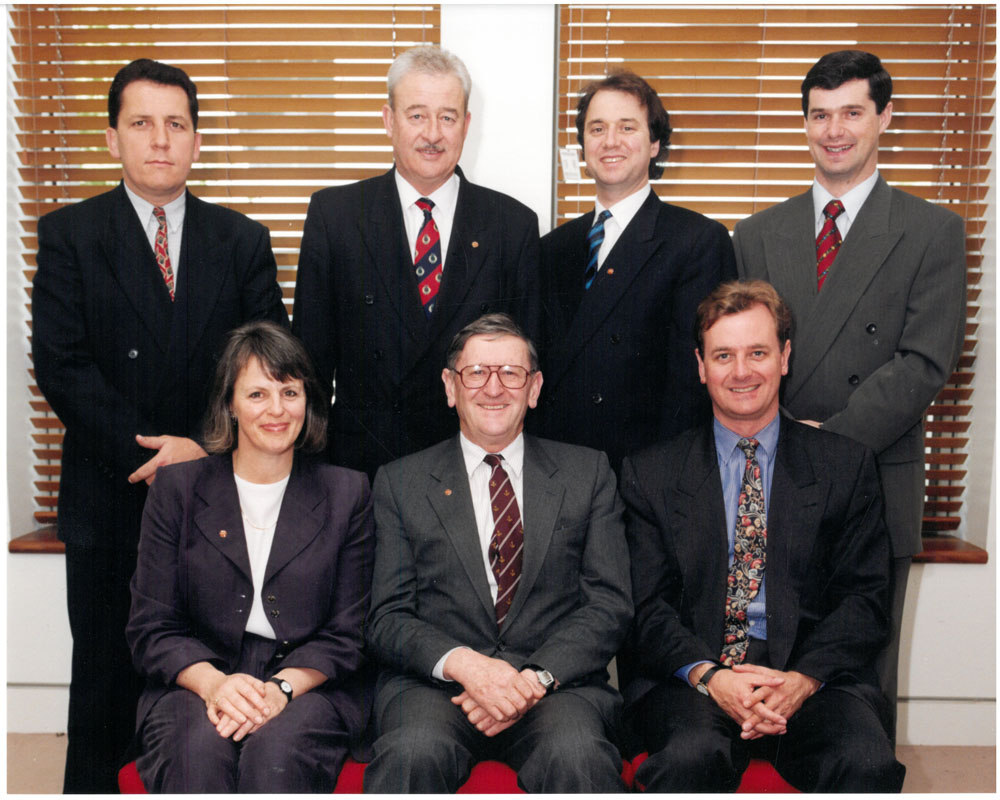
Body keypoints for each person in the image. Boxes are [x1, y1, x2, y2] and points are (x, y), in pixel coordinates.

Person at [31, 58, 288, 793]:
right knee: (105, 676)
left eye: (177, 124)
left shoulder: (240, 239)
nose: (160, 140)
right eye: (142, 123)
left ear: (197, 140)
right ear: (113, 138)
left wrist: (202, 446)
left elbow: (265, 359)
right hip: (112, 492)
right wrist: (152, 450)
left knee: (208, 675)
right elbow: (62, 364)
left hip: (217, 494)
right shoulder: (70, 235)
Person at [732, 50, 966, 739]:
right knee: (760, 660)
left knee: (858, 676)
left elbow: (924, 362)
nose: (834, 130)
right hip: (764, 477)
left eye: (852, 113)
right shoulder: (756, 233)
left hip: (868, 475)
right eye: (820, 115)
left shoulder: (932, 231)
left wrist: (822, 444)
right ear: (804, 123)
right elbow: (747, 359)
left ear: (884, 118)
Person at [620, 280, 904, 792]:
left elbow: (864, 600)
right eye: (723, 355)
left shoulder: (845, 465)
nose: (742, 371)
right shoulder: (651, 473)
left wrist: (801, 681)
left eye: (758, 352)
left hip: (812, 678)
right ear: (701, 366)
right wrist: (712, 677)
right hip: (694, 680)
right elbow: (646, 606)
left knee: (866, 762)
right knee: (689, 759)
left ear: (785, 357)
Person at [364, 313, 632, 792]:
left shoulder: (587, 474)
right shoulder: (400, 482)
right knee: (411, 754)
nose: (494, 388)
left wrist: (531, 681)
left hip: (557, 687)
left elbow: (609, 605)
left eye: (511, 373)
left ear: (534, 387)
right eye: (476, 373)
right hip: (435, 690)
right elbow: (387, 616)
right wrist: (468, 666)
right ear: (451, 386)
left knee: (578, 756)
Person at [126, 320, 373, 792]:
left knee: (273, 758)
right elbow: (151, 626)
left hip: (306, 683)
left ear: (309, 402)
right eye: (257, 394)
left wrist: (279, 689)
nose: (277, 410)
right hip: (195, 678)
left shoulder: (348, 492)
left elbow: (349, 632)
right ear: (230, 405)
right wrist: (216, 685)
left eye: (290, 392)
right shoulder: (177, 490)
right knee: (197, 755)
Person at [293, 46, 541, 482]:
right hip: (360, 469)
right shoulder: (335, 216)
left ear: (466, 126)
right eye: (416, 115)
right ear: (388, 121)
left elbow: (527, 368)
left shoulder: (512, 225)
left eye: (447, 117)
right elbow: (309, 364)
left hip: (472, 470)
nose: (433, 134)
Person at [537, 70, 736, 472]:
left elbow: (690, 387)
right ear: (582, 146)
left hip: (644, 474)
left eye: (627, 127)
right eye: (597, 129)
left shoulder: (697, 240)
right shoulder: (552, 247)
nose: (610, 141)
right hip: (557, 472)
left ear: (655, 143)